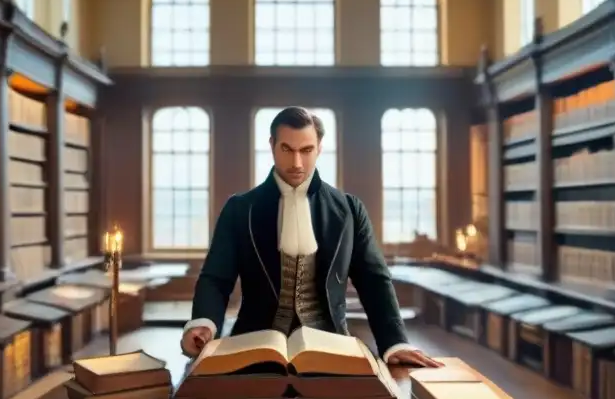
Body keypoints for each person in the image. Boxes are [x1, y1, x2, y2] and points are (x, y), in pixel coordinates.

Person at [181, 106, 441, 367]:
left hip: (330, 343)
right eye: (287, 149)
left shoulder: (350, 209)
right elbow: (216, 278)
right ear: (272, 145)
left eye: (306, 150)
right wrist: (204, 323)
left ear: (319, 148)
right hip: (254, 344)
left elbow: (374, 280)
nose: (296, 163)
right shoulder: (240, 209)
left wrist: (394, 341)